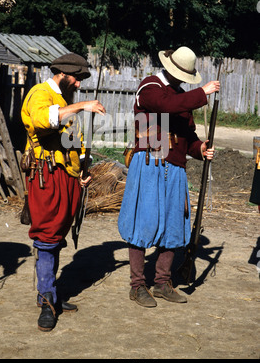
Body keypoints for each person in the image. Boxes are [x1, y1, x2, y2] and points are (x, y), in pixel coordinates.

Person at [118, 46, 220, 307]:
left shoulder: (183, 96)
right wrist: (202, 93)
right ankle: (138, 285)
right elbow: (165, 106)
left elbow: (189, 137)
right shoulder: (150, 87)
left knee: (174, 225)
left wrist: (200, 149)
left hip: (175, 168)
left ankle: (162, 282)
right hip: (150, 162)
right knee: (143, 223)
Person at [21, 52, 105, 331]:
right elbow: (44, 120)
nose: (80, 84)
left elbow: (72, 139)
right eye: (78, 78)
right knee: (47, 235)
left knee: (57, 235)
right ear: (65, 74)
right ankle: (46, 301)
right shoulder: (40, 93)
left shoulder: (65, 101)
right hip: (46, 176)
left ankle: (50, 293)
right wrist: (82, 106)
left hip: (66, 176)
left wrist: (82, 167)